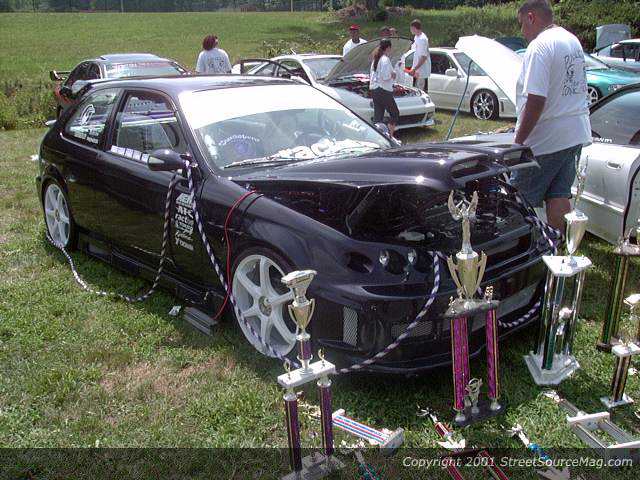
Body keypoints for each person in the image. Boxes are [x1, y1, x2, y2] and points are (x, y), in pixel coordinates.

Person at [511, 0, 591, 231]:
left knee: (518, 199)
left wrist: (518, 142)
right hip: (575, 132)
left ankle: (521, 247)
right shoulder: (571, 40)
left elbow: (536, 100)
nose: (522, 32)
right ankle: (558, 246)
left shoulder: (540, 46)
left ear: (531, 17)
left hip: (546, 139)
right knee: (558, 194)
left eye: (521, 24)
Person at [370, 39, 399, 138]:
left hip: (374, 90)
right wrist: (393, 74)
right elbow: (385, 76)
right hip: (383, 90)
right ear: (388, 48)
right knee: (394, 113)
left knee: (378, 116)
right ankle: (390, 136)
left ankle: (376, 137)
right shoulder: (385, 59)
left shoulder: (376, 59)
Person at [408, 19, 431, 93]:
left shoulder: (422, 39)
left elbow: (424, 57)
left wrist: (414, 69)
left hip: (422, 72)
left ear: (414, 28)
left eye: (411, 28)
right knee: (415, 91)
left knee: (420, 92)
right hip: (417, 71)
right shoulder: (416, 37)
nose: (410, 30)